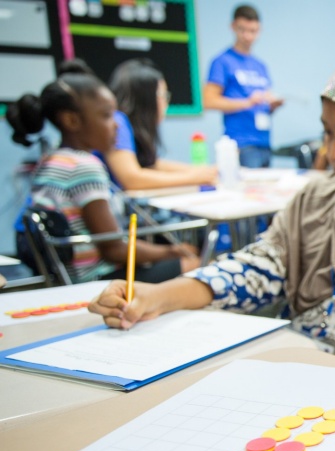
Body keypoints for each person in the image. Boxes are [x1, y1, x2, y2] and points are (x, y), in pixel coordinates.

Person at [88, 51, 335, 369]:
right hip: (298, 369)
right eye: (327, 134)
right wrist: (159, 296)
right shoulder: (319, 197)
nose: (333, 153)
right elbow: (259, 267)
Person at [7, 67, 201, 283]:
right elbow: (114, 249)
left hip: (64, 276)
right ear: (72, 121)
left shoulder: (52, 159)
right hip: (97, 280)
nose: (117, 124)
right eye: (107, 115)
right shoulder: (85, 167)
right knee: (195, 264)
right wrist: (172, 251)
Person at [101, 59, 218, 189]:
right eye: (163, 95)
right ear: (146, 99)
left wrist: (202, 172)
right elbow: (132, 179)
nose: (165, 103)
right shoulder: (118, 123)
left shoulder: (128, 124)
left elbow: (151, 164)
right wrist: (193, 177)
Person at [203, 4, 283, 168]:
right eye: (242, 29)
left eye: (252, 31)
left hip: (264, 142)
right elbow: (208, 101)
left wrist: (273, 105)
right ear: (233, 27)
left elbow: (265, 105)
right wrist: (247, 102)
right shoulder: (222, 61)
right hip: (241, 143)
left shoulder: (260, 65)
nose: (247, 36)